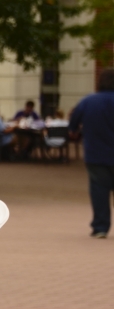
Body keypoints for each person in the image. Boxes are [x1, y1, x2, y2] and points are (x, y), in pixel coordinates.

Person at [68, 68, 114, 238]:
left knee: (99, 191)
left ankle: (101, 227)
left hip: (97, 154)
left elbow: (73, 124)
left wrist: (75, 131)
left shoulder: (88, 101)